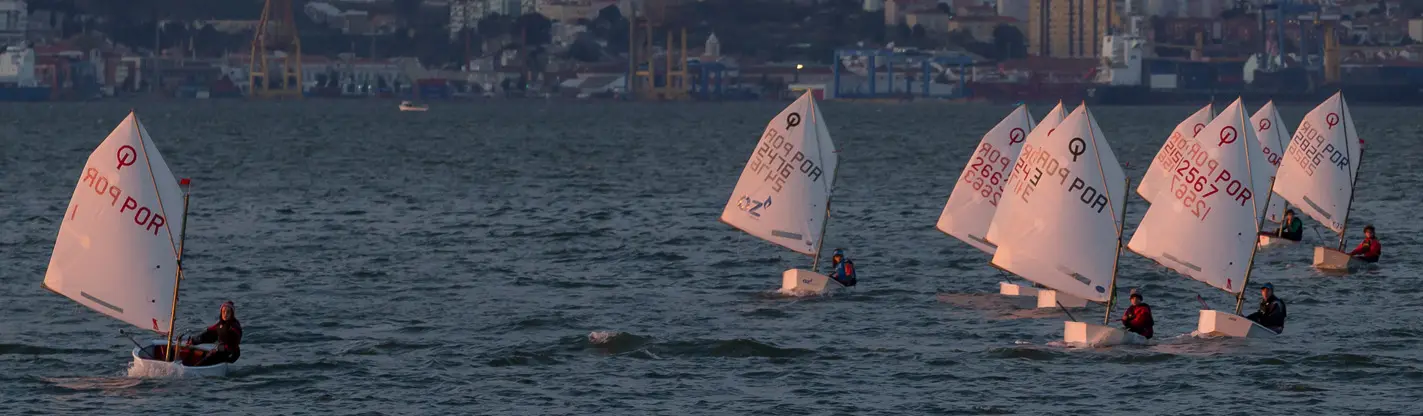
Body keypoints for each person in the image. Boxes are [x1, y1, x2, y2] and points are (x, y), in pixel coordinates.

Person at [187, 301, 243, 365]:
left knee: (208, 359)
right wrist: (193, 340)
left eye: (228, 312)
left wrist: (217, 350)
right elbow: (208, 333)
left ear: (232, 314)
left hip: (231, 354)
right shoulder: (220, 325)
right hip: (222, 349)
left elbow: (234, 342)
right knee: (209, 334)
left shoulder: (234, 326)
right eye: (223, 311)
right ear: (221, 313)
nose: (225, 314)